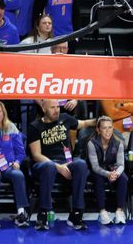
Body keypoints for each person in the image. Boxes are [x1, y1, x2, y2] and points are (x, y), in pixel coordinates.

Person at [27, 99, 96, 231]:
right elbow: (36, 155)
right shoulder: (35, 126)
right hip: (43, 164)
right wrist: (55, 166)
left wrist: (100, 120)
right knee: (48, 166)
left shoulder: (65, 118)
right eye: (52, 108)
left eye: (57, 107)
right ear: (44, 109)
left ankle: (76, 214)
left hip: (66, 162)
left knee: (81, 164)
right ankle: (44, 214)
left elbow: (85, 123)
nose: (56, 110)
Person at [87, 117, 128, 226]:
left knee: (123, 177)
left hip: (111, 169)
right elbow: (95, 167)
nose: (107, 131)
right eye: (104, 128)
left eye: (110, 127)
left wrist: (116, 173)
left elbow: (121, 165)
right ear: (98, 130)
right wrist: (108, 174)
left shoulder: (118, 143)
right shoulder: (92, 143)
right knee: (98, 177)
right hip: (95, 170)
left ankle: (119, 211)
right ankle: (102, 212)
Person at [0, 100, 28, 228]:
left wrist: (18, 162)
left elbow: (20, 151)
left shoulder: (11, 127)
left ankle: (21, 213)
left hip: (9, 165)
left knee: (18, 175)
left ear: (4, 113)